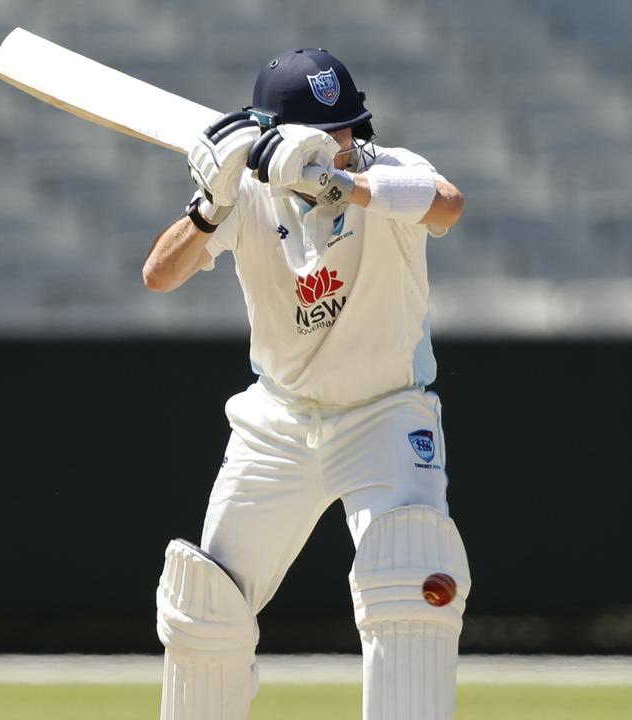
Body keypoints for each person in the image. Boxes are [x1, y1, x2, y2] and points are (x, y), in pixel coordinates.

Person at [144, 47, 469, 720]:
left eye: (349, 127)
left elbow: (447, 207)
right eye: (326, 132)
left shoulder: (381, 173)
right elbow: (160, 275)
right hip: (279, 423)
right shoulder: (245, 194)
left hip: (384, 415)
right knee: (206, 606)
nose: (341, 143)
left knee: (409, 584)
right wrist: (210, 205)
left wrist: (341, 186)